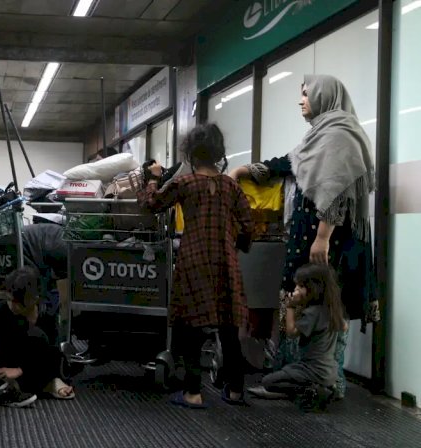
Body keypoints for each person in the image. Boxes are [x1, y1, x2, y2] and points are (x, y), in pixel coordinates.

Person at [229, 74, 377, 399]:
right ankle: (294, 375)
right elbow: (290, 164)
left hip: (328, 245)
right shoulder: (318, 137)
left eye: (307, 94)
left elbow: (338, 190)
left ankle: (323, 381)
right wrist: (247, 171)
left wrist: (323, 236)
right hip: (308, 241)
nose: (301, 101)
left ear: (325, 96)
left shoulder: (341, 136)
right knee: (294, 300)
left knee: (324, 307)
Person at [138, 123, 254, 408]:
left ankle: (193, 392)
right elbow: (249, 226)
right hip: (226, 262)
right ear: (218, 152)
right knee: (229, 328)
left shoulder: (185, 184)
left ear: (191, 153)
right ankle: (236, 390)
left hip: (193, 261)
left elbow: (150, 205)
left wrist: (152, 178)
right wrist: (235, 244)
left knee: (190, 328)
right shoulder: (230, 186)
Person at [248, 264, 346, 411]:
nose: (295, 290)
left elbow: (291, 332)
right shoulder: (330, 310)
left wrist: (289, 306)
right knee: (287, 372)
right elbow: (344, 326)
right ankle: (313, 389)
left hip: (312, 370)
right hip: (329, 370)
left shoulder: (313, 313)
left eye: (300, 286)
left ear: (314, 288)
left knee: (268, 381)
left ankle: (309, 390)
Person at [0, 267, 75, 400]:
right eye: (10, 299)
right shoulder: (0, 312)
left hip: (36, 363)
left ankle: (45, 383)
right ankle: (40, 386)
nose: (13, 305)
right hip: (9, 361)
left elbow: (51, 354)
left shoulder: (46, 315)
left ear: (35, 298)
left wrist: (21, 370)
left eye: (19, 302)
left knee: (49, 352)